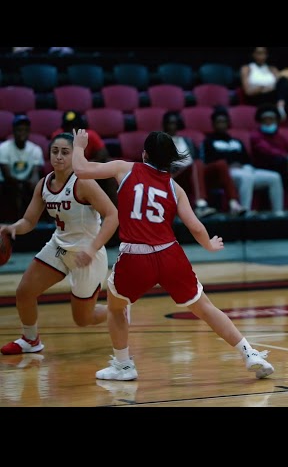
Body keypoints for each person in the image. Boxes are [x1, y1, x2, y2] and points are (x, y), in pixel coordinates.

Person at [71, 128, 274, 381]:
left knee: (116, 307)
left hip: (136, 256)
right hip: (169, 254)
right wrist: (209, 245)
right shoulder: (174, 187)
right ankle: (250, 353)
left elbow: (80, 170)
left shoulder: (125, 168)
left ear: (144, 154)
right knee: (205, 308)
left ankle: (123, 366)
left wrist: (79, 146)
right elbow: (196, 226)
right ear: (170, 158)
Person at [0, 132, 119, 355]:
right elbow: (29, 221)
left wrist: (92, 249)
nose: (59, 156)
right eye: (55, 151)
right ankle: (31, 340)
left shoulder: (84, 182)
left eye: (65, 152)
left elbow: (113, 215)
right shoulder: (44, 184)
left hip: (87, 255)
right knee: (24, 291)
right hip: (59, 248)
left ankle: (120, 309)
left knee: (83, 319)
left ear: (74, 155)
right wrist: (14, 228)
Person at [201, 106, 284, 216]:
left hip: (245, 170)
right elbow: (208, 162)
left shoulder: (237, 141)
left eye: (224, 122)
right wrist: (230, 166)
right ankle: (245, 212)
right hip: (227, 174)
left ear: (228, 123)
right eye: (218, 122)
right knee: (246, 178)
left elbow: (247, 160)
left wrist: (246, 167)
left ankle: (278, 213)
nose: (221, 124)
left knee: (274, 177)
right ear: (213, 124)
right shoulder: (208, 142)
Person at [162, 110, 244, 217]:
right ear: (165, 125)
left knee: (221, 164)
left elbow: (198, 158)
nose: (173, 126)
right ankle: (200, 205)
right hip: (175, 177)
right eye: (170, 123)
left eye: (175, 123)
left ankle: (234, 204)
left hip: (193, 173)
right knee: (197, 164)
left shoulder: (187, 141)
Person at [51, 110, 118, 207]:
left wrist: (85, 165)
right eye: (68, 127)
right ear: (63, 128)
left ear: (81, 127)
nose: (72, 130)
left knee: (109, 169)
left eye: (75, 126)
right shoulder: (58, 137)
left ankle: (115, 211)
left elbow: (103, 154)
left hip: (88, 171)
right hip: (66, 172)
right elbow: (56, 158)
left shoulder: (89, 135)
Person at [240, 46, 288, 136]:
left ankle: (281, 105)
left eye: (264, 53)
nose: (262, 56)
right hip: (258, 98)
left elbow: (281, 84)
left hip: (274, 97)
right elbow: (248, 91)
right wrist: (262, 88)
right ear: (253, 55)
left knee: (283, 80)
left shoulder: (272, 69)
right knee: (284, 90)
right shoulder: (247, 68)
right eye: (259, 53)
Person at [0, 114, 45, 221]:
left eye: (25, 130)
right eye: (19, 130)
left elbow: (35, 175)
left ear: (29, 131)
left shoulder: (35, 150)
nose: (22, 133)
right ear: (14, 131)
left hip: (27, 184)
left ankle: (39, 224)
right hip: (7, 185)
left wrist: (32, 184)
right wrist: (21, 184)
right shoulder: (3, 148)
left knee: (39, 187)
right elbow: (7, 175)